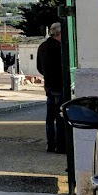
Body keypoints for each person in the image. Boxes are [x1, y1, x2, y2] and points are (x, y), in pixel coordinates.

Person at [36, 22, 66, 153]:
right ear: (59, 34)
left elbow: (39, 67)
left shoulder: (42, 46)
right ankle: (60, 145)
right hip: (60, 85)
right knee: (60, 117)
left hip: (49, 86)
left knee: (50, 117)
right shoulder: (60, 48)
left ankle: (50, 144)